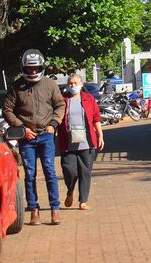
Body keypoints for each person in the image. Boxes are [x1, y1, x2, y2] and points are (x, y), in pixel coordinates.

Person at [3, 49, 66, 226]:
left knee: (50, 172)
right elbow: (7, 110)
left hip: (46, 135)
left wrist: (53, 124)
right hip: (26, 138)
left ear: (41, 67)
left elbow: (60, 105)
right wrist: (22, 128)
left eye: (35, 68)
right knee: (30, 174)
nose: (32, 72)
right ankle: (34, 211)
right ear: (24, 68)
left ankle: (55, 209)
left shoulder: (50, 84)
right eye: (29, 69)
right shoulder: (16, 87)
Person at [57, 73, 104, 211]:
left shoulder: (89, 99)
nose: (73, 86)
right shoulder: (63, 100)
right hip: (68, 142)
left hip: (87, 142)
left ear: (81, 84)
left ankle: (83, 200)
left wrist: (100, 135)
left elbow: (96, 118)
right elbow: (57, 118)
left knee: (85, 172)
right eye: (70, 83)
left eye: (75, 83)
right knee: (70, 170)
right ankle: (70, 190)